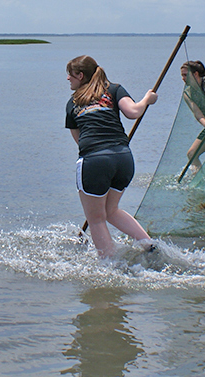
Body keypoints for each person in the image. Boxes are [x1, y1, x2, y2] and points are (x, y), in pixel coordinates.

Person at [64, 55, 156, 259]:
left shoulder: (73, 102)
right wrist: (147, 100)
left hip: (94, 160)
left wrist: (97, 158)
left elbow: (78, 139)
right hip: (123, 158)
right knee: (111, 210)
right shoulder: (114, 89)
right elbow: (133, 112)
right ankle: (149, 246)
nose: (68, 79)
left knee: (96, 219)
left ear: (80, 75)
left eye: (70, 75)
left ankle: (110, 267)